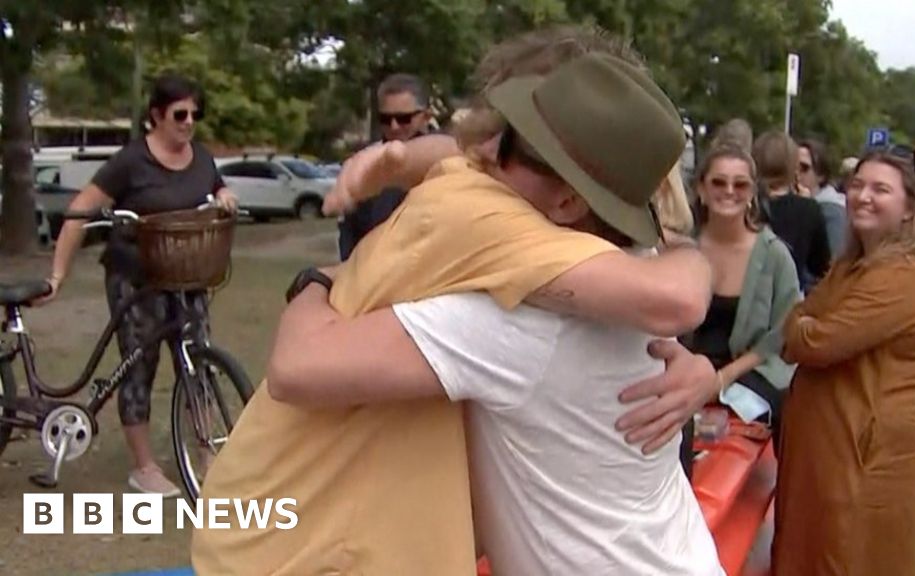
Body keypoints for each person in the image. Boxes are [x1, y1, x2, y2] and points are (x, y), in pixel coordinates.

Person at [193, 28, 715, 576]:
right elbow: (459, 161)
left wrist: (319, 282)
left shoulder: (514, 321)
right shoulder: (625, 254)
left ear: (565, 201)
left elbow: (298, 368)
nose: (483, 151)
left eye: (507, 143)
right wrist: (396, 158)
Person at [36, 74, 238, 496]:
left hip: (188, 274)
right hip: (135, 277)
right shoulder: (131, 161)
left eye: (195, 114)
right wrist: (58, 274)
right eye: (179, 114)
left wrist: (224, 193)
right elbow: (79, 210)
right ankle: (143, 467)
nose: (188, 122)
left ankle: (206, 450)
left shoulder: (201, 156)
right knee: (138, 364)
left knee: (197, 360)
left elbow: (214, 185)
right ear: (156, 116)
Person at [774, 144, 915, 575]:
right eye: (857, 185)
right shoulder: (855, 265)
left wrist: (800, 326)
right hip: (835, 456)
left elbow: (811, 340)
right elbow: (800, 319)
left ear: (910, 208)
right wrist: (800, 324)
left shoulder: (903, 276)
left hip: (866, 463)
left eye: (881, 189)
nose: (863, 196)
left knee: (853, 558)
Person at [685, 144, 800, 459]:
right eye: (718, 183)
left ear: (752, 193)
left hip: (752, 374)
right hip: (685, 371)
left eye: (740, 184)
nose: (729, 192)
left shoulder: (775, 255)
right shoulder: (680, 248)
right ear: (701, 189)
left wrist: (721, 378)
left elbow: (781, 333)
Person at [337, 73, 434, 260]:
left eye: (403, 118)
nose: (394, 126)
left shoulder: (452, 163)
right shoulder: (364, 166)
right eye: (385, 119)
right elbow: (350, 232)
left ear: (426, 117)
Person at [753, 131, 831, 292]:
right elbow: (821, 266)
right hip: (788, 295)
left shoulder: (746, 204)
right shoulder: (809, 209)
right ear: (793, 166)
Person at [799, 139, 846, 257]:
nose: (796, 173)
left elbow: (833, 260)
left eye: (803, 168)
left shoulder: (832, 211)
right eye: (791, 166)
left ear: (821, 175)